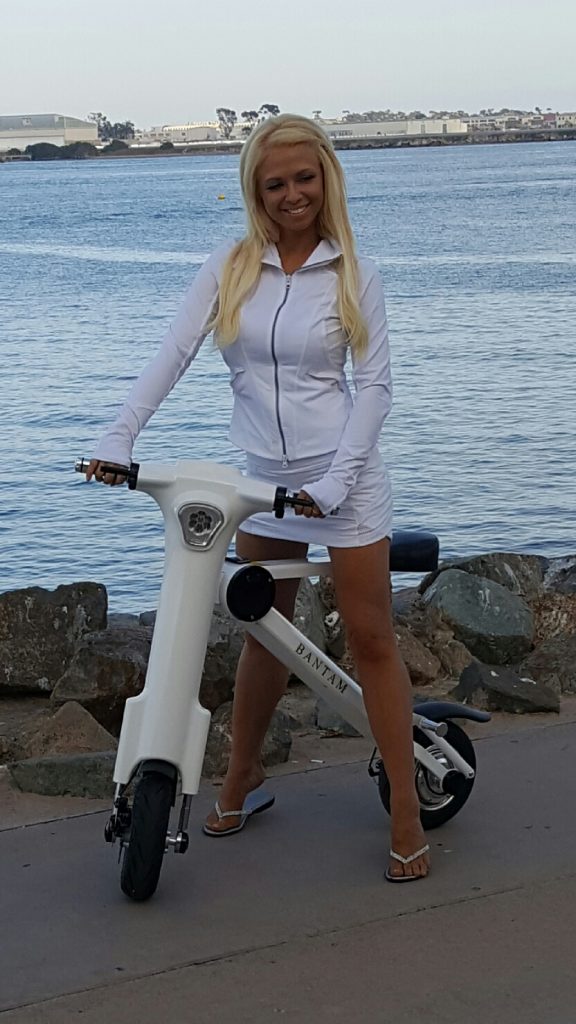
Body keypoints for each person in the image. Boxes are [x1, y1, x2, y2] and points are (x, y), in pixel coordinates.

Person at [86, 113, 430, 882]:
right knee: (262, 630)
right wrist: (118, 437)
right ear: (256, 191)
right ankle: (244, 773)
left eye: (304, 178)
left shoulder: (353, 274)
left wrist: (337, 478)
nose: (291, 194)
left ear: (325, 179)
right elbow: (170, 355)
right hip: (262, 484)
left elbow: (373, 392)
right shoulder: (230, 267)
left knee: (372, 637)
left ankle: (406, 809)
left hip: (345, 476)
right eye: (275, 183)